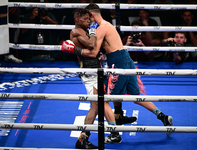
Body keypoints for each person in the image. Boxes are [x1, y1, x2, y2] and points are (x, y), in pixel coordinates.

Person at [61, 3, 173, 142]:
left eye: (87, 18)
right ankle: (162, 116)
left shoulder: (100, 28)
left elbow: (93, 51)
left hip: (118, 62)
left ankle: (114, 134)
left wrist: (74, 50)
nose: (88, 22)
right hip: (126, 59)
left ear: (91, 15)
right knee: (135, 96)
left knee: (105, 99)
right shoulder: (108, 24)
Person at [67, 8, 129, 149]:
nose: (89, 22)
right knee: (99, 104)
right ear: (77, 19)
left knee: (96, 105)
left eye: (89, 19)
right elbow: (91, 44)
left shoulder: (84, 30)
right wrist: (94, 31)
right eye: (85, 20)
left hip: (95, 70)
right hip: (90, 72)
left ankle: (84, 139)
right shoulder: (76, 31)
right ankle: (110, 134)